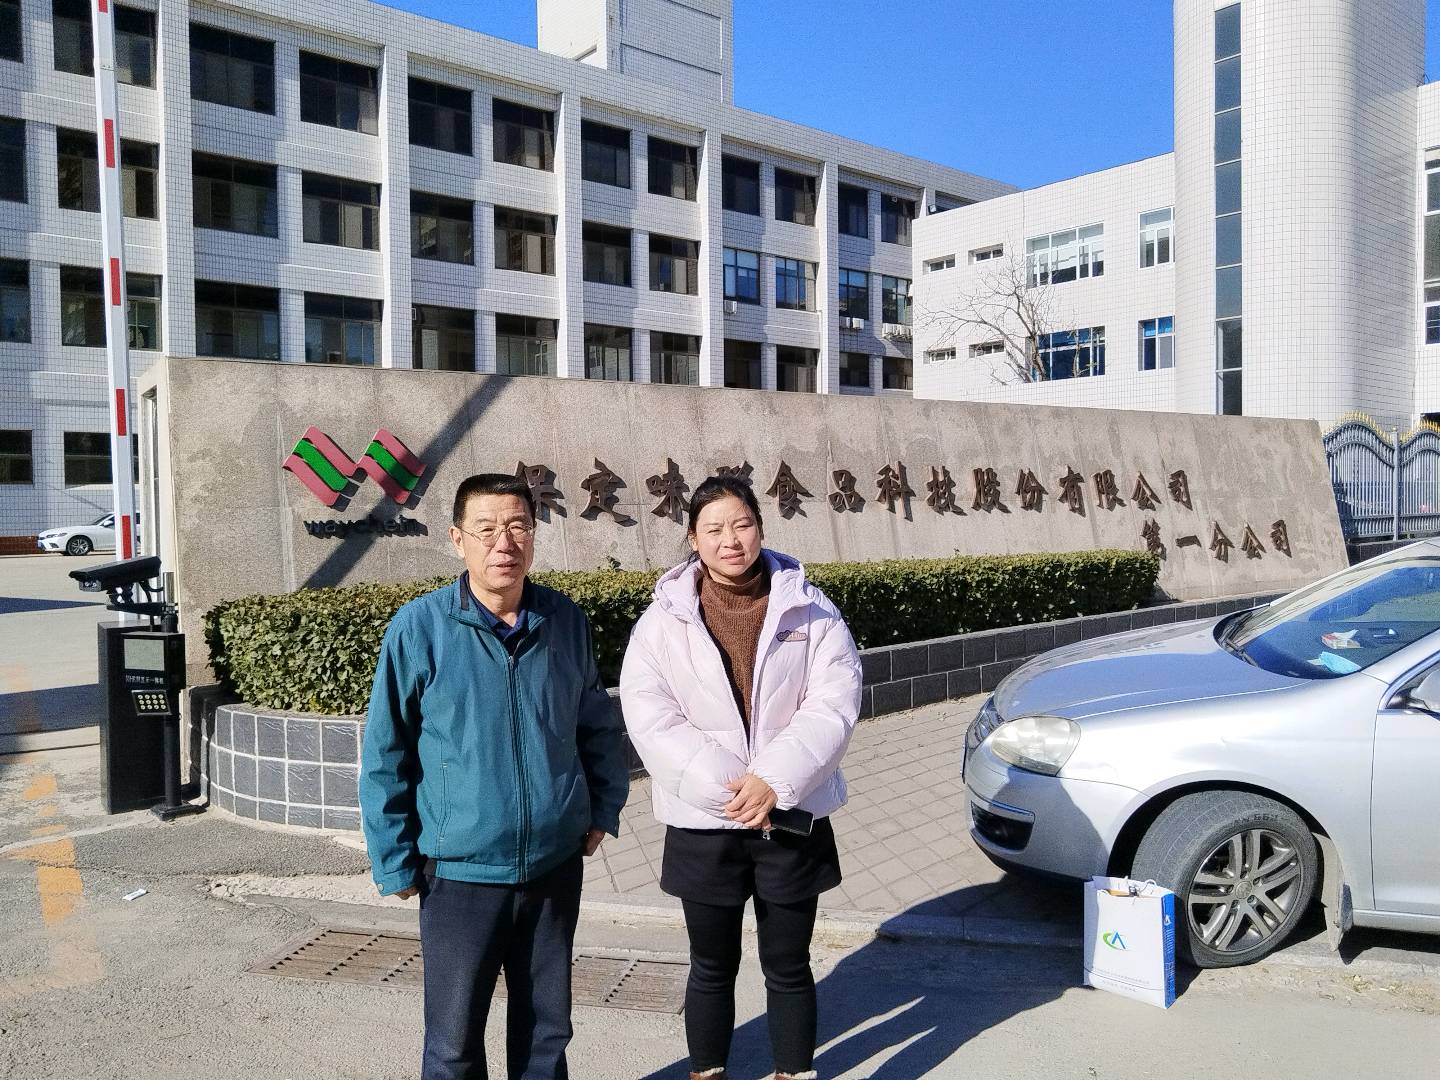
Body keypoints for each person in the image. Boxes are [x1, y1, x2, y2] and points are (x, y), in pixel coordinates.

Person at [360, 473, 630, 1080]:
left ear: (533, 534)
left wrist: (601, 808)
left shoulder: (564, 620)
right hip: (460, 873)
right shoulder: (420, 628)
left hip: (553, 866)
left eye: (517, 526)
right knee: (453, 1041)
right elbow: (385, 752)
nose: (503, 543)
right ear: (457, 539)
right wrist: (394, 860)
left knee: (546, 1035)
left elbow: (596, 723)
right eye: (485, 529)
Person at [619, 475, 863, 1080]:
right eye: (714, 529)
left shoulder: (812, 609)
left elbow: (833, 702)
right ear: (692, 538)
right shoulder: (662, 621)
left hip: (790, 813)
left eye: (742, 524)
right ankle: (708, 1072)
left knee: (789, 965)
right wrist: (731, 788)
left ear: (760, 526)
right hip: (707, 820)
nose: (731, 540)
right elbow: (649, 714)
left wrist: (774, 781)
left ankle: (792, 1072)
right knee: (710, 966)